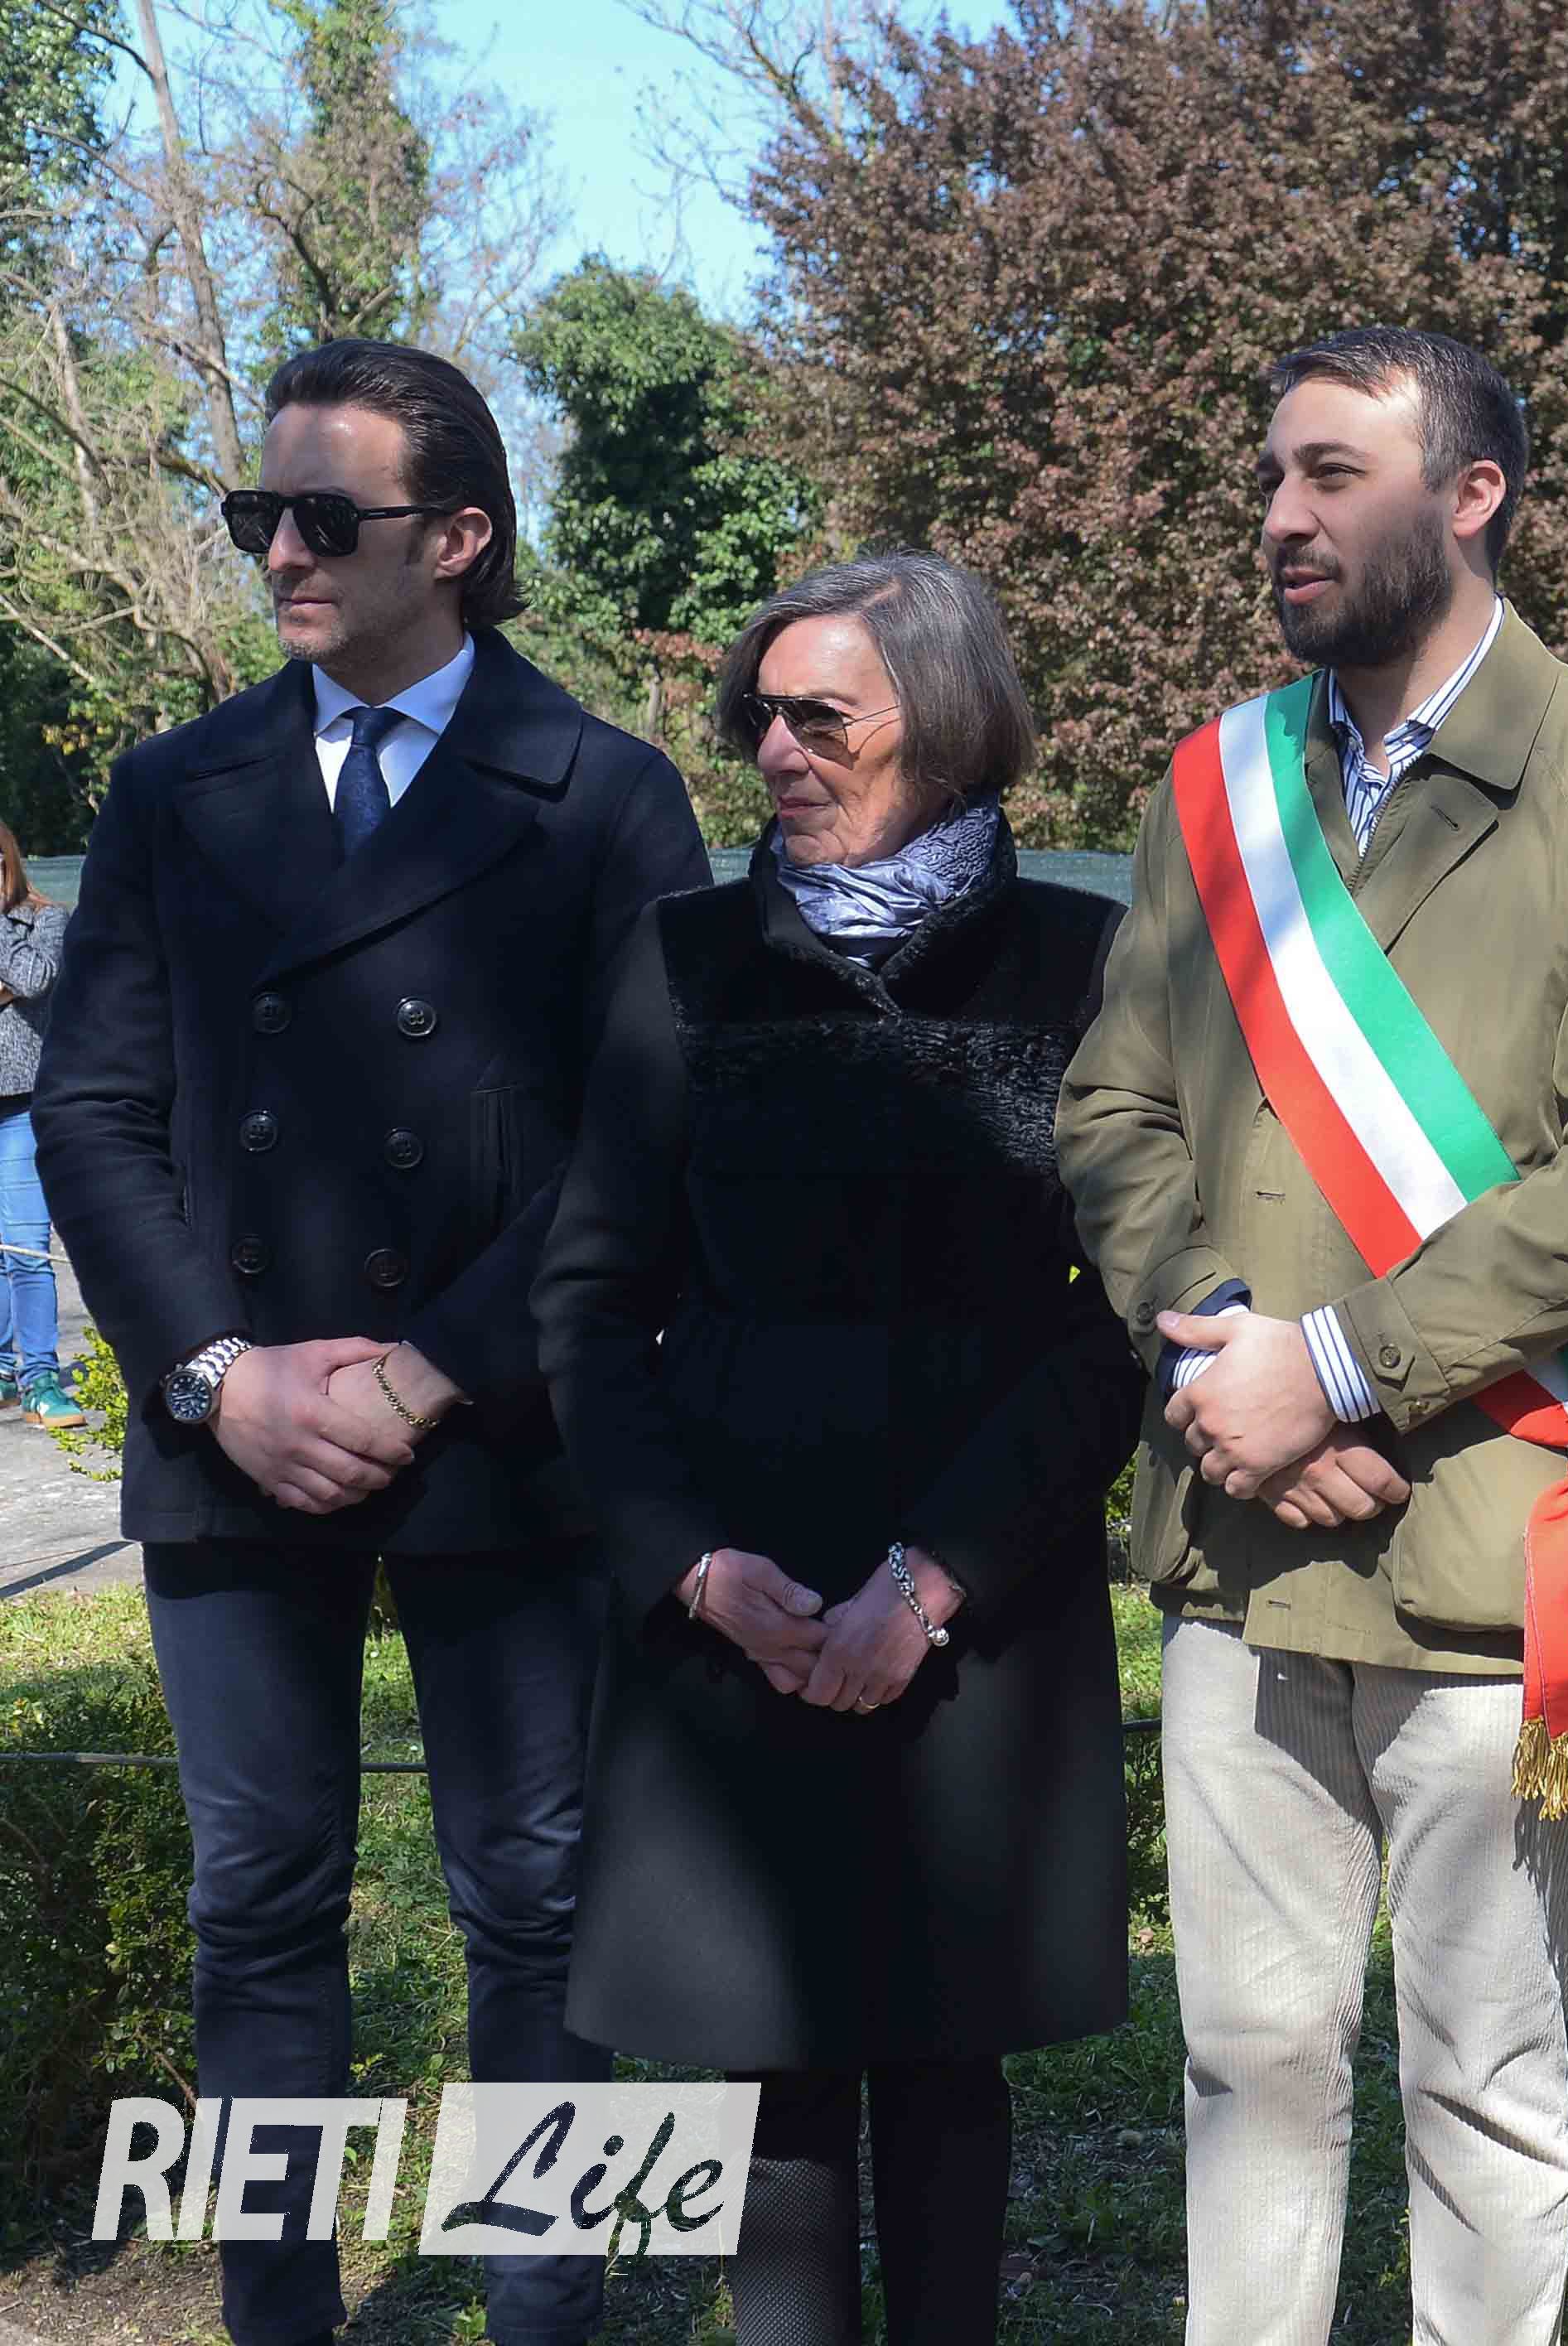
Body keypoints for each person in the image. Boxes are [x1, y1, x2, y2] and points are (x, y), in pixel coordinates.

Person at [1057, 326, 1568, 2344]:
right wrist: (1230, 1360)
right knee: (1244, 2065)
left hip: (1491, 1552)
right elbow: (1111, 1112)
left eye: (1332, 474)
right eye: (1271, 475)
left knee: (1487, 2088)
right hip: (1240, 1537)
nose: (1281, 515)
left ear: (1471, 494)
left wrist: (1335, 1370)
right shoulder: (1214, 784)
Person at [31, 340, 710, 2346]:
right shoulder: (174, 789)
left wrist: (430, 1372)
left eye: (328, 516)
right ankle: (279, 2318)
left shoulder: (602, 792)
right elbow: (93, 1109)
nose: (282, 553)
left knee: (538, 1894)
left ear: (462, 535)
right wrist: (217, 1375)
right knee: (257, 1901)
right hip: (232, 1430)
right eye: (261, 513)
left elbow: (649, 1137)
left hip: (505, 1424)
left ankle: (547, 2313)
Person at [535, 553, 1140, 2344]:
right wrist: (689, 1564)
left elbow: (1117, 1314)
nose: (773, 753)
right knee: (770, 2069)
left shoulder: (1082, 965)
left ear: (943, 726)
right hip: (743, 1588)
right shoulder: (685, 961)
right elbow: (589, 1302)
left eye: (820, 717)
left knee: (951, 2069)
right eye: (759, 717)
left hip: (981, 1591)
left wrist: (939, 1576)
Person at [0, 817, 76, 1428]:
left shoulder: (47, 919)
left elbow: (33, 979)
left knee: (26, 1246)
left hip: (23, 1104)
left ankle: (41, 1379)